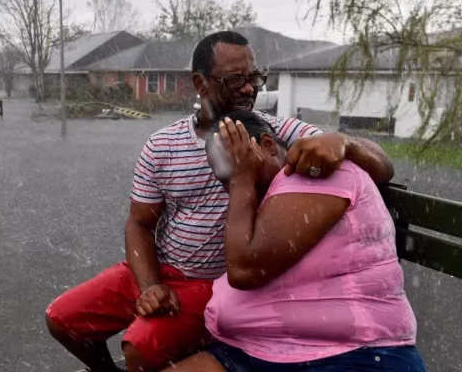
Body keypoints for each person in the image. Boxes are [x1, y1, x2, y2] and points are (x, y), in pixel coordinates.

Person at [44, 31, 396, 372]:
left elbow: (381, 166)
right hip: (158, 269)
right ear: (200, 84)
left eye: (255, 78)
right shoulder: (162, 145)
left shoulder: (268, 131)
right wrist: (150, 286)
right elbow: (139, 223)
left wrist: (345, 142)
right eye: (235, 79)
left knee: (139, 346)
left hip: (211, 284)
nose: (248, 88)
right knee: (62, 319)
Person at [165, 110, 425, 372]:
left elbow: (246, 269)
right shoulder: (270, 193)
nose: (227, 184)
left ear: (266, 145)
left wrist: (241, 179)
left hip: (347, 355)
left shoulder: (314, 172)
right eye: (223, 176)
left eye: (231, 166)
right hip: (253, 350)